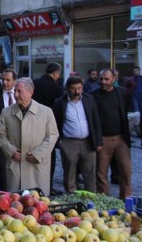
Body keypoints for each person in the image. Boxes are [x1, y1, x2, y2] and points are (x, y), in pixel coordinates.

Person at [0, 77, 59, 196]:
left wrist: (38, 154)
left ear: (30, 92)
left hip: (37, 167)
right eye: (15, 90)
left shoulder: (46, 112)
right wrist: (11, 151)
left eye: (19, 91)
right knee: (16, 204)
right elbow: (1, 137)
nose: (15, 94)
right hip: (16, 165)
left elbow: (52, 135)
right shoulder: (6, 112)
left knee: (38, 203)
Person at [53, 76, 103, 193]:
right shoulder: (60, 103)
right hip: (69, 142)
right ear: (67, 88)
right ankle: (72, 197)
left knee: (90, 173)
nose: (76, 91)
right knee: (70, 172)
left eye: (79, 88)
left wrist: (98, 141)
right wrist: (59, 142)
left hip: (88, 141)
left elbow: (96, 121)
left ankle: (91, 198)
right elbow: (54, 123)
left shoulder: (89, 99)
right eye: (73, 88)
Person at [90, 68, 132, 200]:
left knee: (126, 169)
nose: (103, 81)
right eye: (101, 79)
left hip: (121, 138)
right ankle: (106, 200)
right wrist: (97, 141)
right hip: (103, 139)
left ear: (114, 79)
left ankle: (126, 198)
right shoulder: (93, 95)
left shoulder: (122, 92)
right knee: (101, 173)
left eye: (106, 79)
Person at [32, 62, 64, 196]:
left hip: (33, 123)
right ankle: (47, 186)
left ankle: (34, 185)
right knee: (49, 156)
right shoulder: (56, 87)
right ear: (56, 73)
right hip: (49, 125)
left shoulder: (35, 83)